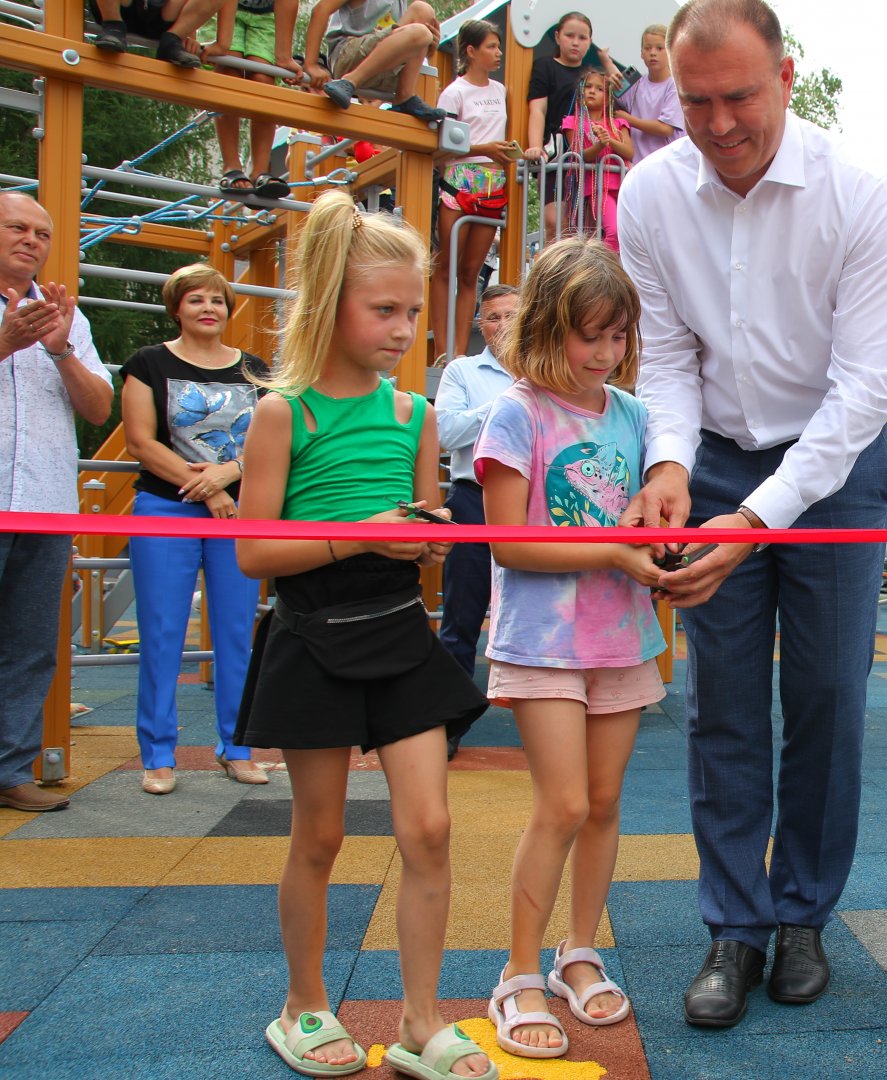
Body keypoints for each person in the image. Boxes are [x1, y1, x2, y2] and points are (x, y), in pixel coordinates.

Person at [618, 0, 887, 1029]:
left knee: (831, 694)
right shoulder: (649, 193)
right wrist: (667, 462)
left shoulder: (867, 201)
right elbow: (663, 355)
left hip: (834, 471)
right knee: (721, 702)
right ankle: (733, 928)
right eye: (694, 101)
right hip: (709, 463)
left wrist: (755, 517)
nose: (715, 124)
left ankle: (802, 915)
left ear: (786, 76)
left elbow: (862, 395)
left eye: (737, 96)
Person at [232, 191, 491, 1080]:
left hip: (396, 627)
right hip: (312, 630)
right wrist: (365, 533)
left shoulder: (416, 416)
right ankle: (303, 1005)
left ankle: (422, 1020)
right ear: (331, 302)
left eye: (412, 311)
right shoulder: (283, 413)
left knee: (429, 827)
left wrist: (424, 540)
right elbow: (253, 554)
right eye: (384, 309)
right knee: (321, 833)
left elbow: (420, 540)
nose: (402, 327)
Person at [475, 237, 665, 1059]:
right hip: (544, 641)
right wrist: (616, 553)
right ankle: (518, 971)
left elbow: (651, 503)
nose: (604, 353)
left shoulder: (633, 415)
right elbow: (510, 544)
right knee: (560, 806)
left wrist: (653, 541)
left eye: (616, 335)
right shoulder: (516, 411)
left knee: (603, 802)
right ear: (548, 329)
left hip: (620, 635)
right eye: (589, 334)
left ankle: (576, 952)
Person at [121, 264, 268, 796]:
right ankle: (158, 754)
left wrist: (230, 475)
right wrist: (210, 489)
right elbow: (141, 442)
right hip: (167, 508)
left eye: (218, 301)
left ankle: (239, 746)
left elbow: (269, 441)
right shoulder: (148, 363)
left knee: (236, 633)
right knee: (161, 632)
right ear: (176, 307)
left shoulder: (255, 369)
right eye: (196, 300)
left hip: (236, 513)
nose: (209, 308)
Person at [0, 192, 114, 814]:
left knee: (31, 644)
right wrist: (4, 341)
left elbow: (98, 409)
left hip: (44, 502)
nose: (31, 240)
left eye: (42, 233)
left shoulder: (67, 316)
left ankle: (10, 769)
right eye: (17, 227)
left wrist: (59, 348)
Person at [435, 284, 520, 699]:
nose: (502, 325)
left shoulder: (547, 367)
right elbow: (447, 431)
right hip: (473, 497)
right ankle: (448, 720)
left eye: (511, 314)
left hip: (529, 501)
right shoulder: (463, 371)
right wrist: (512, 403)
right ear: (481, 325)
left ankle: (541, 713)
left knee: (534, 611)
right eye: (493, 317)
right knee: (462, 612)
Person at [430, 18, 519, 364]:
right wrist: (485, 148)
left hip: (493, 180)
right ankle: (441, 350)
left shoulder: (500, 91)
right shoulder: (454, 92)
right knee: (446, 265)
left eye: (498, 47)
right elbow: (444, 145)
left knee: (471, 271)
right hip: (460, 177)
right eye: (491, 47)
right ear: (471, 51)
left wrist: (503, 151)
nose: (497, 53)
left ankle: (457, 353)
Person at [523, 12, 621, 242]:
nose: (575, 42)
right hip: (559, 153)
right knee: (555, 222)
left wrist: (606, 62)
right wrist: (535, 147)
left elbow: (617, 102)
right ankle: (550, 275)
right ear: (557, 37)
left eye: (582, 37)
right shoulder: (546, 66)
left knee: (585, 227)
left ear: (590, 41)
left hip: (589, 157)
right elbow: (538, 109)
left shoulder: (591, 76)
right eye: (569, 35)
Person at [204, 0, 300, 200]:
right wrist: (222, 43)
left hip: (266, 15)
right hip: (225, 6)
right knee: (229, 72)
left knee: (263, 82)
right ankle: (231, 165)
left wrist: (284, 56)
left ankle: (260, 170)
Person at [303, 0, 449, 122]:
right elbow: (321, 10)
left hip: (384, 68)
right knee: (421, 29)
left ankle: (405, 95)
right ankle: (350, 81)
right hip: (348, 57)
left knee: (423, 12)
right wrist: (311, 64)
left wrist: (428, 46)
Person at [559, 67, 634, 251]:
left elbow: (629, 152)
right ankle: (607, 272)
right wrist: (600, 145)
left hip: (623, 186)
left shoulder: (617, 123)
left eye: (600, 89)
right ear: (581, 92)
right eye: (588, 86)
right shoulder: (573, 121)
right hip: (597, 188)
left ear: (608, 98)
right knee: (613, 232)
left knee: (624, 232)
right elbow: (580, 154)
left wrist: (608, 140)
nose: (592, 91)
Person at [617, 24, 684, 164]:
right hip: (637, 166)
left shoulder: (675, 85)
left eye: (660, 48)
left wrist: (630, 120)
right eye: (648, 48)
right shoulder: (636, 84)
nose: (653, 53)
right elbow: (612, 99)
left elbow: (665, 128)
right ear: (641, 53)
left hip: (667, 165)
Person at [90, 0, 229, 67]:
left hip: (163, 16)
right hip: (118, 8)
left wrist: (188, 34)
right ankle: (113, 24)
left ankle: (173, 40)